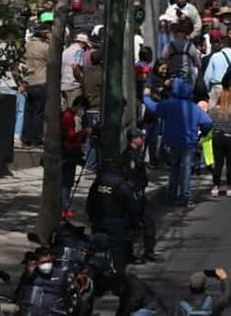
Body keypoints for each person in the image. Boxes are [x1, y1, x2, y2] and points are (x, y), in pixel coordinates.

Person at [142, 77, 214, 207]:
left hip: (172, 141)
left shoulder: (168, 105)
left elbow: (153, 106)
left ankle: (172, 195)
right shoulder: (193, 107)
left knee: (174, 169)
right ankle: (185, 197)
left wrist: (146, 95)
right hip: (188, 142)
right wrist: (202, 133)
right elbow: (208, 122)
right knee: (186, 170)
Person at [86, 162, 137, 272]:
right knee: (118, 252)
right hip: (117, 224)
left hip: (98, 221)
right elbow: (132, 207)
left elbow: (90, 202)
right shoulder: (123, 185)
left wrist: (91, 217)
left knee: (96, 249)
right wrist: (132, 226)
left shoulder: (98, 182)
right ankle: (117, 279)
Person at [120, 128, 158, 263]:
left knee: (149, 223)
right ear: (134, 139)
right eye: (140, 137)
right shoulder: (129, 155)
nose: (142, 140)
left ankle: (149, 251)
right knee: (131, 226)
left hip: (140, 195)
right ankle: (128, 255)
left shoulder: (138, 154)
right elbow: (129, 175)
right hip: (132, 196)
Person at [207, 77, 231, 197]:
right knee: (230, 164)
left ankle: (216, 187)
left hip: (218, 137)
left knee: (218, 164)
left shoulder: (213, 111)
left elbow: (208, 123)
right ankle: (229, 187)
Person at [18, 22, 50, 146]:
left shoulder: (27, 45)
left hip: (29, 82)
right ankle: (36, 138)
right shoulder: (45, 47)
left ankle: (26, 137)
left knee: (28, 111)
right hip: (41, 81)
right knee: (39, 112)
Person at [60, 96, 91, 217]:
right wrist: (85, 132)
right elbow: (71, 135)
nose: (83, 112)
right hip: (68, 151)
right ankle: (64, 207)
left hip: (72, 150)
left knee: (68, 181)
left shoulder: (73, 117)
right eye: (83, 109)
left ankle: (65, 205)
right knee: (66, 182)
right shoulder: (68, 116)